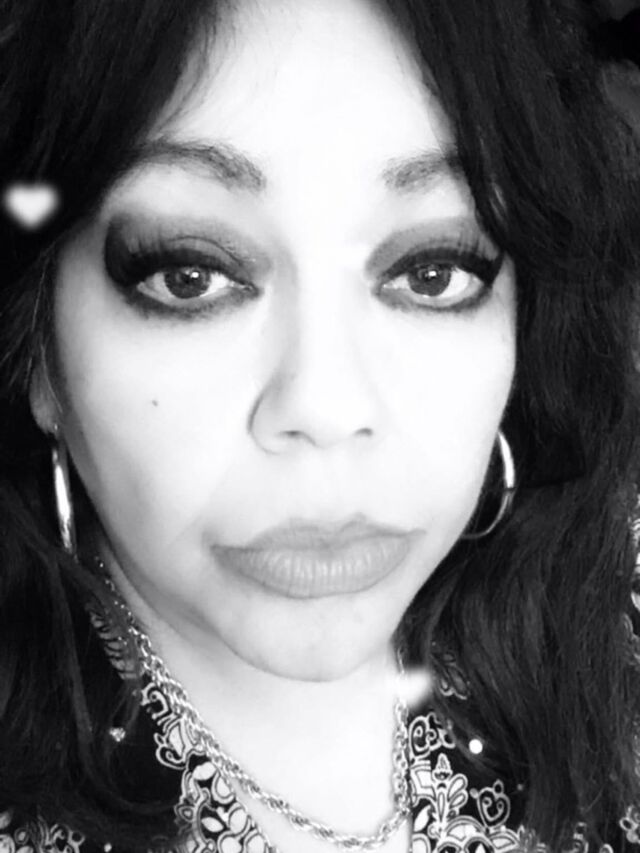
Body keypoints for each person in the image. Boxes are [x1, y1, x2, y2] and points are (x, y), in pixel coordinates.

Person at [0, 0, 639, 851]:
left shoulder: (616, 614)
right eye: (190, 274)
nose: (329, 409)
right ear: (38, 351)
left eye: (433, 270)